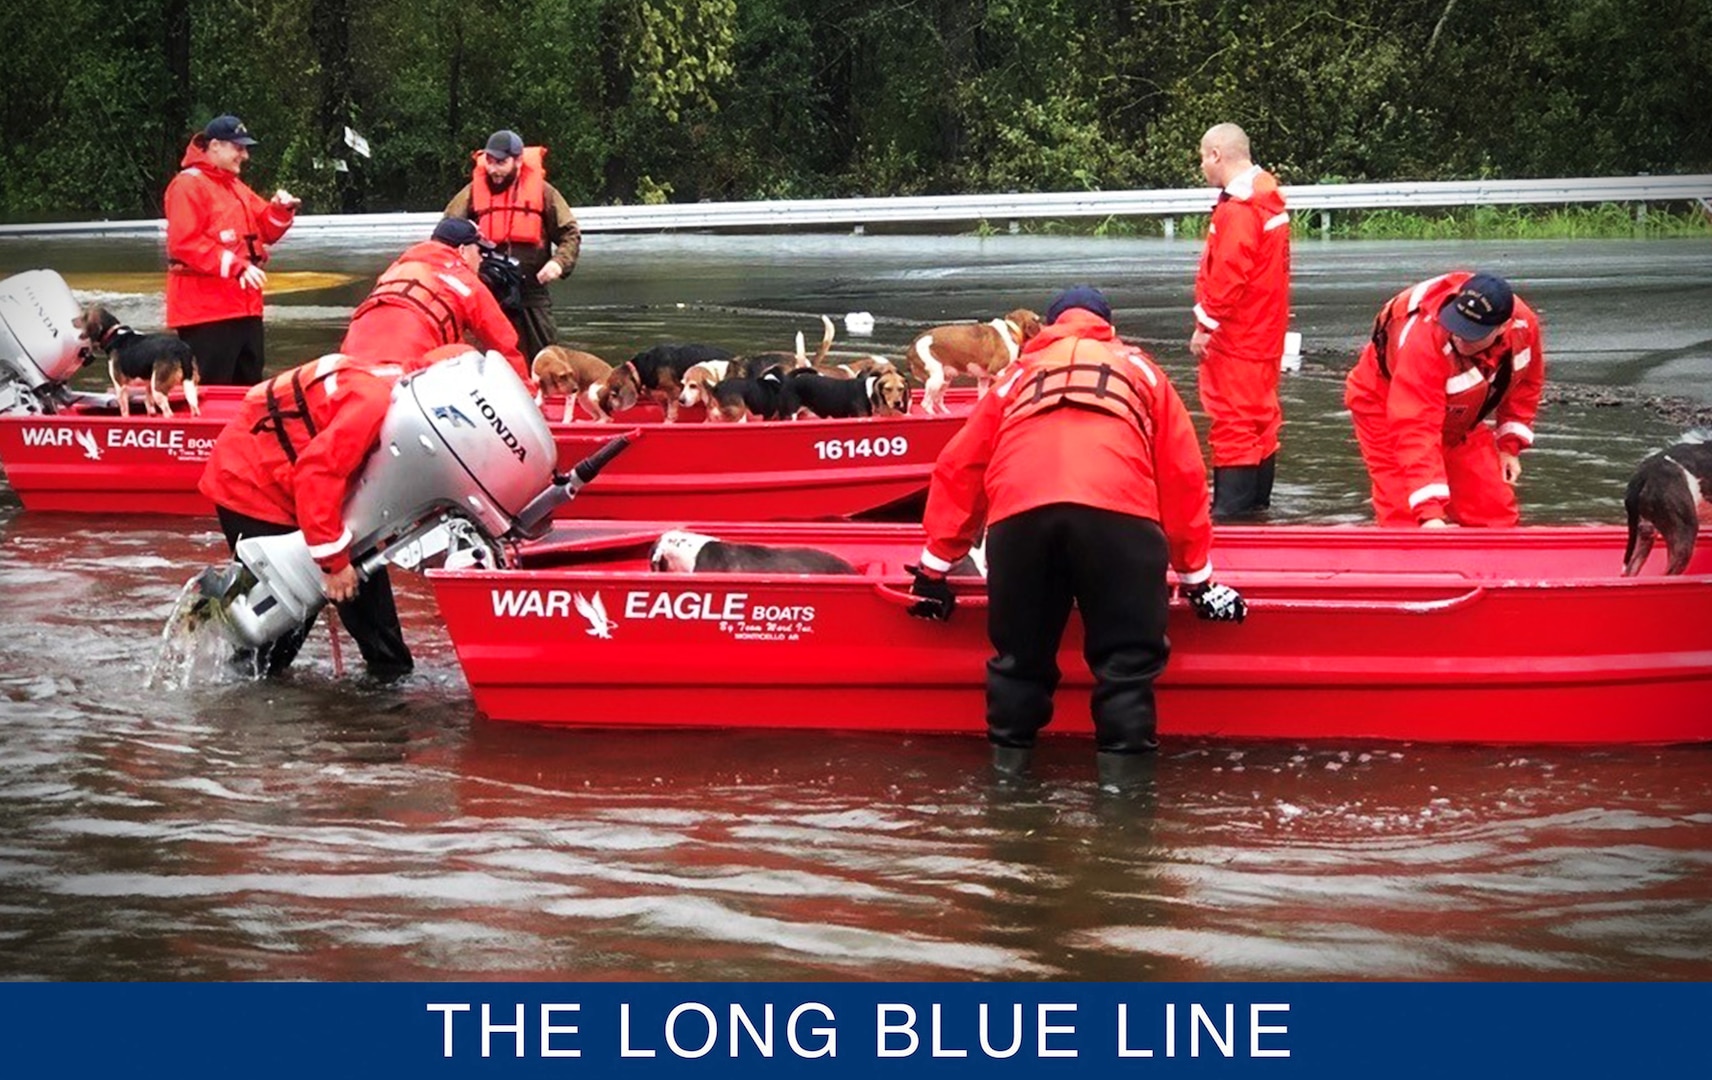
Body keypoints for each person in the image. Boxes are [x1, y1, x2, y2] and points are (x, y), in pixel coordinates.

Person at [908, 286, 1248, 789]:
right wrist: (1198, 578)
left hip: (1021, 518)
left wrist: (934, 570)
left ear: (1045, 329)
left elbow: (960, 468)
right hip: (1119, 516)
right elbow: (1182, 475)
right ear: (1108, 328)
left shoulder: (1016, 376)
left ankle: (1009, 800)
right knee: (1127, 668)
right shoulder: (1143, 371)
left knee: (1019, 664)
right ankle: (1126, 816)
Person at [196, 343, 475, 680]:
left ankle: (390, 681)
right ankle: (236, 692)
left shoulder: (405, 382)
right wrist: (333, 563)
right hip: (253, 484)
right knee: (281, 619)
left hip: (295, 481)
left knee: (368, 603)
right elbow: (317, 473)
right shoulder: (373, 403)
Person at [1344, 272, 1545, 528]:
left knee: (1494, 514)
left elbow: (1526, 383)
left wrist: (1509, 446)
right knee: (1406, 518)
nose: (1460, 339)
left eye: (1472, 334)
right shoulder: (1425, 340)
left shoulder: (1524, 327)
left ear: (1502, 328)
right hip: (1384, 406)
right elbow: (1415, 426)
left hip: (1461, 416)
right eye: (1457, 328)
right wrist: (1429, 514)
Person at [1190, 122, 1291, 521]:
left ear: (1217, 154)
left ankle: (1230, 515)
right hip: (1265, 332)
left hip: (1238, 335)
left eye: (1202, 157)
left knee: (1232, 421)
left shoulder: (1241, 208)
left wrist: (1205, 326)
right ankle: (1256, 507)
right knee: (1261, 418)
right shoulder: (1267, 199)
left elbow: (1228, 274)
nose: (1202, 165)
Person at [164, 114, 300, 386]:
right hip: (206, 313)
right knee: (213, 389)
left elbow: (267, 229)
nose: (245, 155)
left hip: (245, 309)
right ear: (215, 146)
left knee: (248, 388)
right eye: (238, 147)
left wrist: (281, 210)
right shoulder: (187, 185)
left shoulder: (234, 186)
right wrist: (237, 266)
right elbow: (185, 243)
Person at [444, 129, 582, 358]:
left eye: (500, 162)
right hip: (487, 291)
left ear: (518, 160)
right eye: (489, 161)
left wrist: (558, 263)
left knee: (547, 358)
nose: (493, 169)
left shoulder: (544, 193)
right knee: (481, 357)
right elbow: (446, 233)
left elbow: (570, 233)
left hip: (531, 290)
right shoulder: (471, 193)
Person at [339, 217, 530, 382]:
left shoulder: (395, 270)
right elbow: (504, 344)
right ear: (463, 250)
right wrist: (528, 394)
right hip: (406, 372)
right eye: (479, 251)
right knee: (465, 356)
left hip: (351, 367)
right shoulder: (465, 280)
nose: (481, 259)